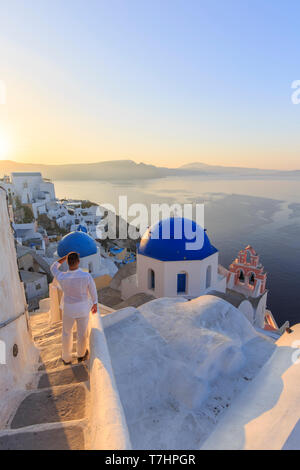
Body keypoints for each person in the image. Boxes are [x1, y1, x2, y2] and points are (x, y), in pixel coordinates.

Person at [50, 252, 98, 365]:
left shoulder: (62, 276)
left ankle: (66, 358)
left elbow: (53, 267)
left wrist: (63, 258)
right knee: (82, 333)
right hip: (82, 309)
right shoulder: (86, 276)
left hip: (68, 309)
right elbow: (93, 291)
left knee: (66, 333)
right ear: (78, 262)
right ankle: (81, 355)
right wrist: (95, 303)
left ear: (67, 262)